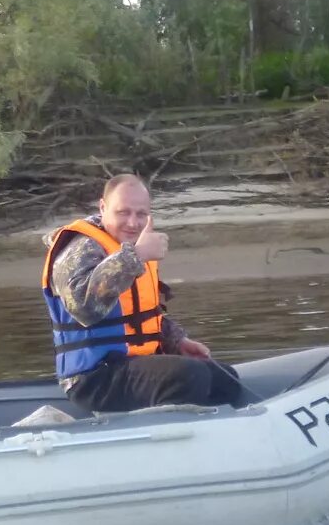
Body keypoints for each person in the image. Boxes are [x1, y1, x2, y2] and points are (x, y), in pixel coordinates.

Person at [40, 173, 258, 414]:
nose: (133, 223)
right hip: (93, 379)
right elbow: (84, 308)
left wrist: (176, 341)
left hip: (130, 366)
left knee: (224, 378)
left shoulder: (128, 247)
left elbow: (133, 317)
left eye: (141, 214)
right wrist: (136, 256)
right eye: (123, 212)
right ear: (103, 207)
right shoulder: (78, 249)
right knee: (188, 375)